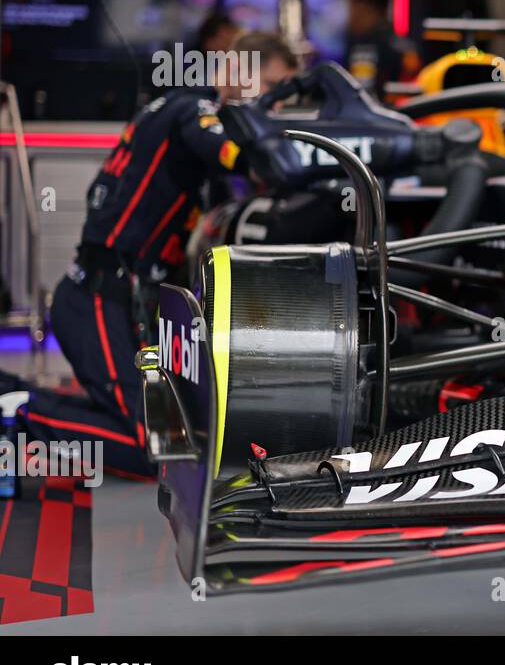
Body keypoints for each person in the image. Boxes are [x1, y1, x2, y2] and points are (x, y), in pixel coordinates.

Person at [0, 32, 298, 479]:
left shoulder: (176, 107)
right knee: (153, 451)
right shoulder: (194, 110)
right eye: (272, 86)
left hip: (121, 299)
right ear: (239, 70)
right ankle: (18, 412)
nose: (274, 102)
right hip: (97, 301)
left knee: (160, 429)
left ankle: (16, 395)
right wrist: (289, 157)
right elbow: (236, 156)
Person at [344, 0, 418, 98]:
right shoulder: (354, 42)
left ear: (365, 9)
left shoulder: (400, 49)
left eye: (352, 7)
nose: (349, 15)